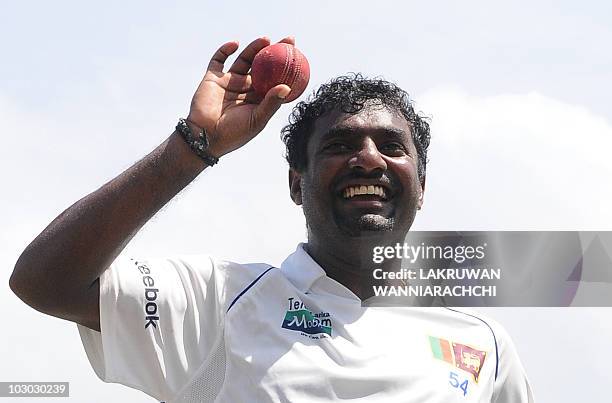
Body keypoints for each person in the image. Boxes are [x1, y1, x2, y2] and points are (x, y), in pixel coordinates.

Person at [10, 36, 534, 402]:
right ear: (296, 183)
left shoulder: (482, 345)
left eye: (392, 146)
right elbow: (44, 281)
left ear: (421, 190)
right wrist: (191, 149)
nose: (370, 158)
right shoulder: (218, 302)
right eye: (341, 144)